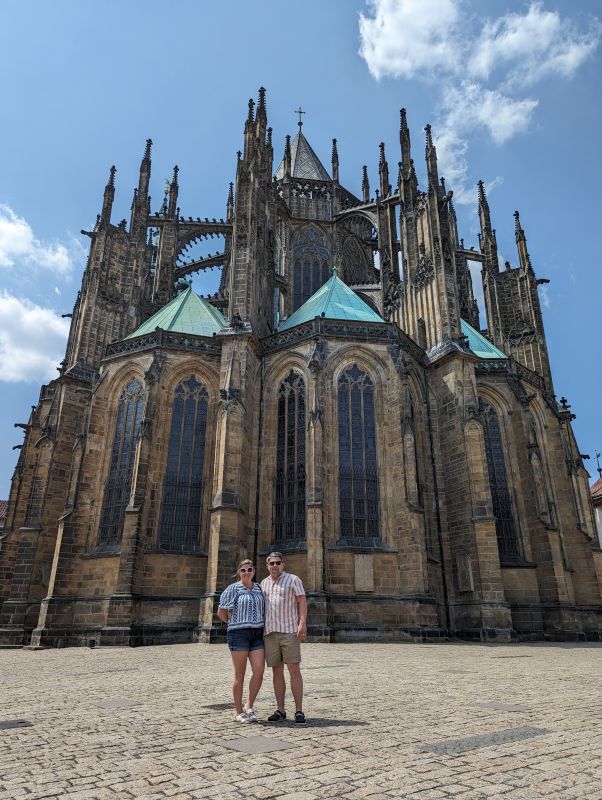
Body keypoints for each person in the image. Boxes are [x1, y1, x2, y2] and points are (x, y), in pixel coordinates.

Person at [260, 552, 307, 725]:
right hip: (270, 633)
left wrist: (302, 623)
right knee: (276, 671)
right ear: (267, 565)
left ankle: (299, 710)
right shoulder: (263, 584)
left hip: (289, 631)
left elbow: (302, 601)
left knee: (294, 669)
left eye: (278, 563)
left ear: (283, 564)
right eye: (271, 563)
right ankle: (280, 710)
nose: (274, 566)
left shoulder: (293, 580)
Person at [217, 559, 265, 723]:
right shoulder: (233, 588)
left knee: (259, 671)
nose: (246, 572)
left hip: (257, 633)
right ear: (238, 572)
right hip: (239, 634)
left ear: (254, 571)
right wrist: (233, 624)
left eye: (249, 569)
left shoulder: (259, 588)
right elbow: (221, 612)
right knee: (240, 674)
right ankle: (238, 712)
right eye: (243, 570)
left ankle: (248, 705)